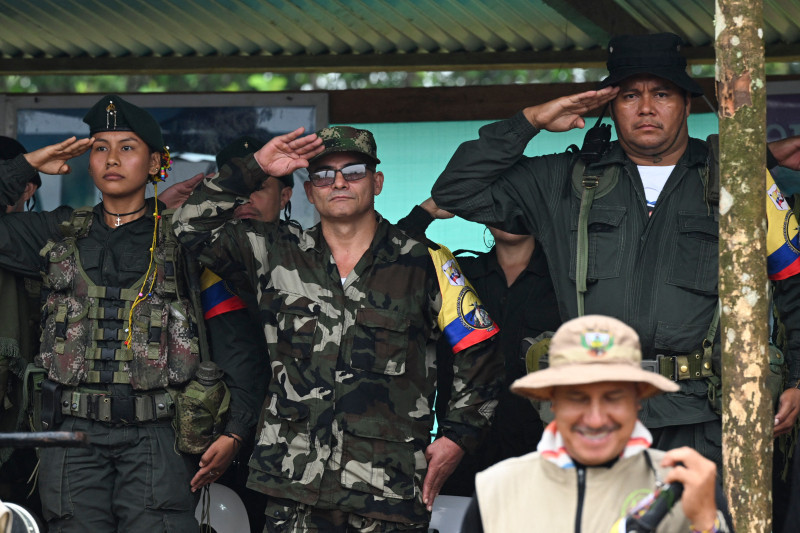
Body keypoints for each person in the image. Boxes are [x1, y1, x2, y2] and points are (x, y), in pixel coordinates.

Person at [432, 32, 800, 465]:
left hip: (703, 420)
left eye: (661, 93)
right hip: (593, 418)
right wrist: (530, 120)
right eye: (630, 95)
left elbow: (793, 286)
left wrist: (796, 379)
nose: (646, 107)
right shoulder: (565, 180)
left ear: (685, 102)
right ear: (609, 105)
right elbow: (457, 190)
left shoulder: (738, 180)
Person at [173, 125, 503, 531]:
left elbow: (481, 350)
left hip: (387, 490)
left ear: (377, 182)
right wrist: (255, 167)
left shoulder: (426, 263)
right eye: (324, 175)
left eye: (355, 171)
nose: (340, 182)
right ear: (310, 192)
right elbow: (189, 227)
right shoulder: (274, 252)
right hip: (292, 488)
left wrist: (457, 437)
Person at [0, 95, 205, 532]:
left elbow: (234, 336)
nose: (111, 159)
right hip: (72, 436)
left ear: (155, 163)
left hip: (156, 433)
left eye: (127, 147)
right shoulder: (55, 231)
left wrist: (236, 428)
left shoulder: (184, 238)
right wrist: (26, 164)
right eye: (99, 147)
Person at [463, 314, 732, 532]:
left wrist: (707, 525)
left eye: (613, 398)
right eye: (577, 398)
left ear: (638, 401)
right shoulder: (496, 491)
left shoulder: (689, 487)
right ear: (552, 402)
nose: (595, 419)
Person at [397, 199, 561, 496]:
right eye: (501, 199)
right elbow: (390, 261)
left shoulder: (564, 283)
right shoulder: (458, 273)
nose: (511, 211)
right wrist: (428, 210)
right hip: (459, 456)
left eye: (521, 198)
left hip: (542, 458)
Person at [191, 136, 295, 532]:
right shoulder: (193, 256)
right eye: (235, 187)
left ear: (286, 196)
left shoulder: (313, 256)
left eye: (257, 186)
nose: (243, 199)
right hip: (207, 442)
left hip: (292, 446)